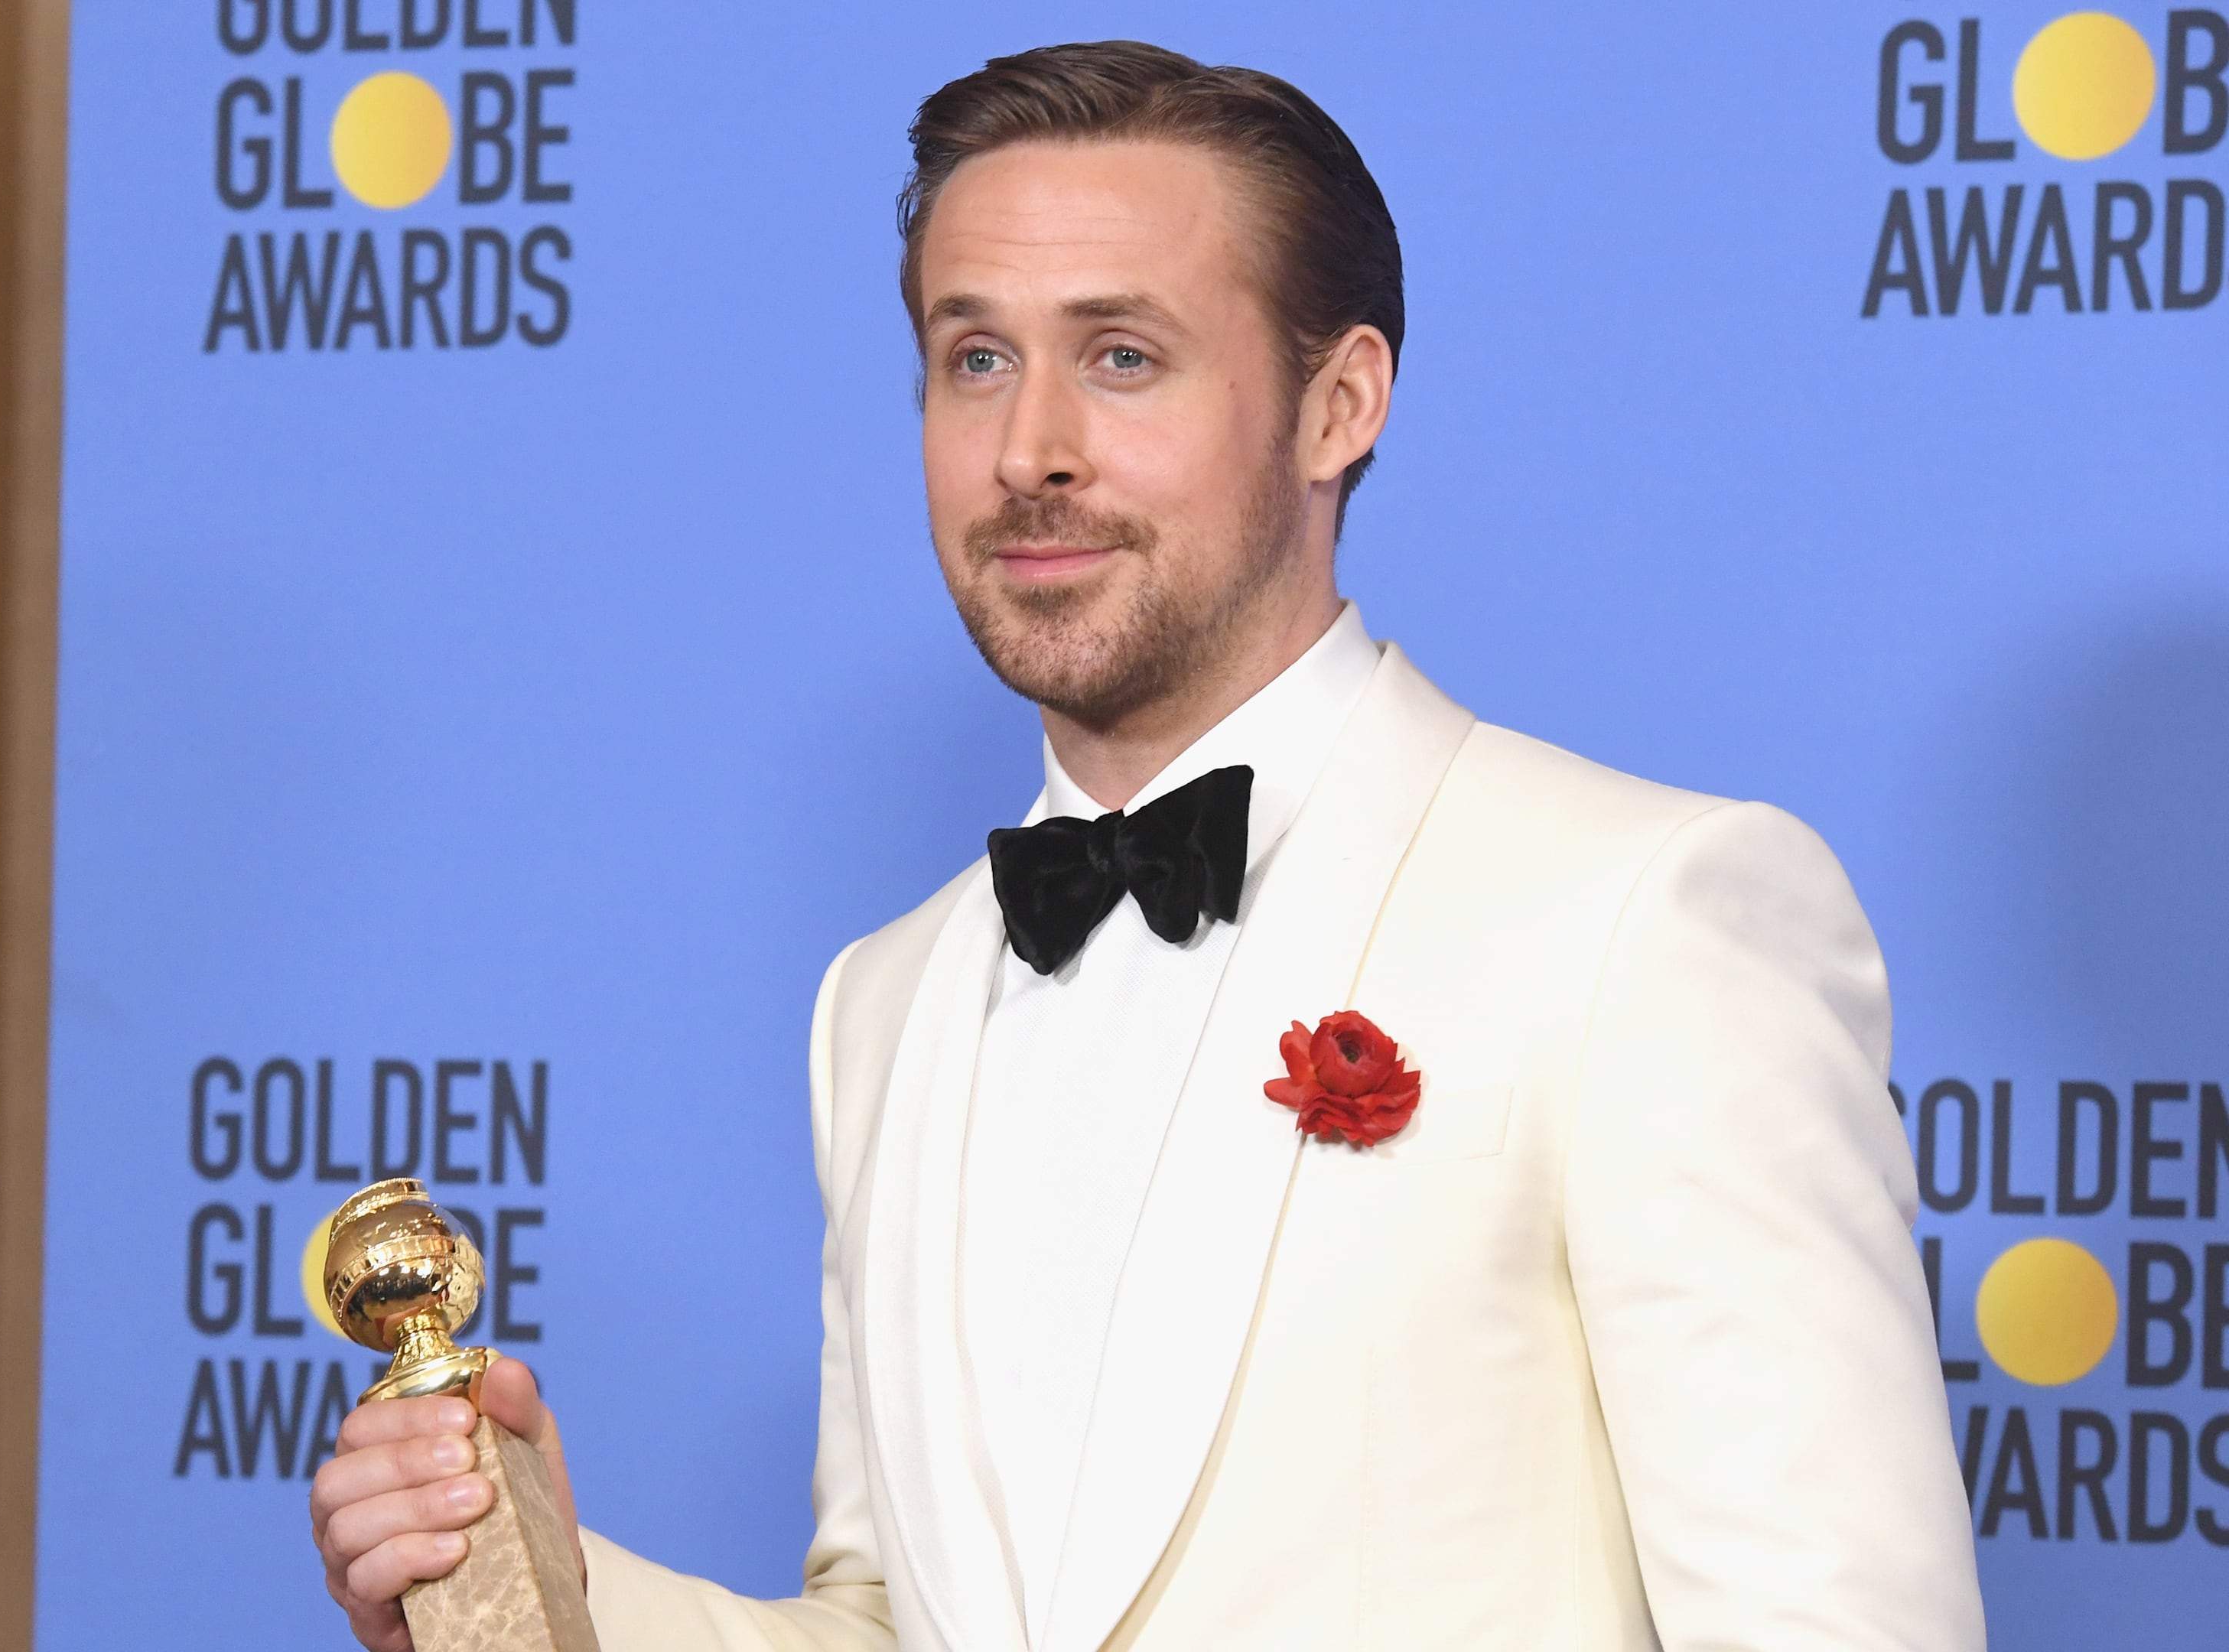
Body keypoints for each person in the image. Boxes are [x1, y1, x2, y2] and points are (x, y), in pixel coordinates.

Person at [308, 39, 1986, 1652]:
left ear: (1340, 404)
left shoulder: (1648, 915)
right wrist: (534, 1592)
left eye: (1122, 355)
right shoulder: (883, 1002)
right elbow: (896, 1628)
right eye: (977, 358)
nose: (1031, 449)